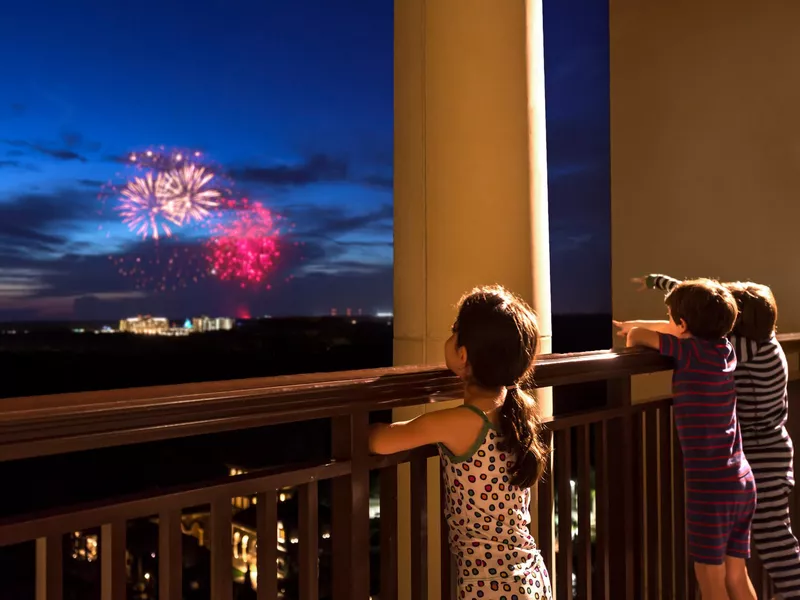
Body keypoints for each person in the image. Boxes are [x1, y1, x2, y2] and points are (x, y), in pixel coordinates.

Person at [368, 285, 551, 599]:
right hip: (530, 576)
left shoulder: (461, 422)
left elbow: (379, 441)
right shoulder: (512, 413)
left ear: (463, 355)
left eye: (455, 331)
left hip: (491, 588)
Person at [634, 273, 800, 596]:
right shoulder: (757, 343)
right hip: (752, 467)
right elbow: (707, 305)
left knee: (774, 546)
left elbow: (700, 317)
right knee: (742, 569)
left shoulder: (739, 347)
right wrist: (661, 282)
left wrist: (643, 325)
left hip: (748, 466)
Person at [615, 278, 757, 600]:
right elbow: (673, 330)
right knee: (736, 575)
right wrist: (669, 326)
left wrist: (635, 329)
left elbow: (638, 337)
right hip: (741, 479)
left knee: (710, 579)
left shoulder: (689, 352)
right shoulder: (725, 350)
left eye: (671, 319)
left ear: (681, 324)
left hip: (711, 488)